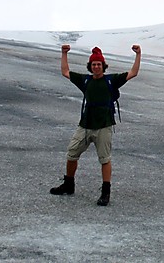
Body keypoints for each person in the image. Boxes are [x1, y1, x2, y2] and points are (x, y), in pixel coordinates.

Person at [50, 44, 141, 206]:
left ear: (103, 66)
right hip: (85, 126)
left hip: (104, 127)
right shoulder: (85, 80)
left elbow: (133, 73)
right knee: (72, 153)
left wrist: (138, 54)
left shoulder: (111, 80)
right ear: (90, 66)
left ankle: (106, 192)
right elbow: (65, 72)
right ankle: (69, 184)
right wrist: (64, 53)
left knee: (104, 159)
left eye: (99, 64)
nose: (96, 66)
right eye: (94, 64)